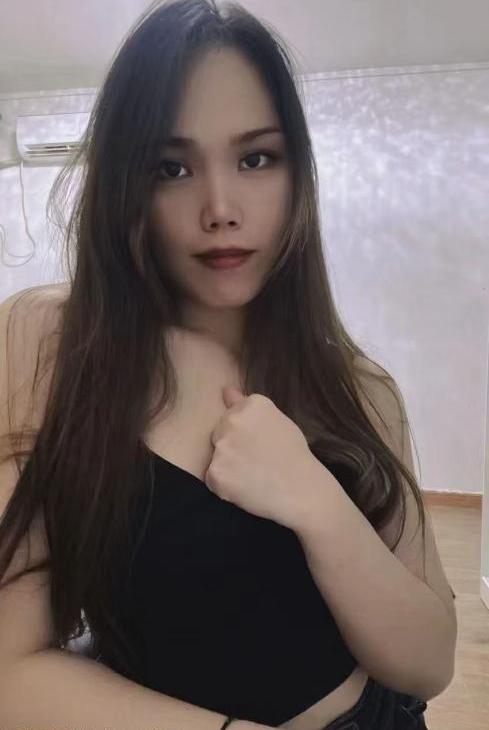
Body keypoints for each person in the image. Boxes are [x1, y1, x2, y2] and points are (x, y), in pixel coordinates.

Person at [0, 1, 457, 729]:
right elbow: (9, 672)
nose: (219, 208)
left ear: (296, 173)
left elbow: (428, 665)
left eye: (255, 159)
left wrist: (315, 500)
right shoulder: (53, 341)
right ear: (126, 186)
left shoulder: (361, 389)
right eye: (172, 167)